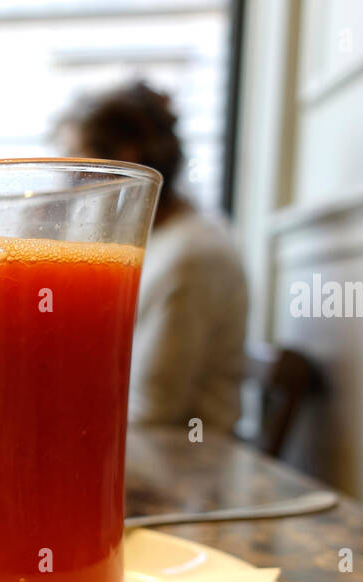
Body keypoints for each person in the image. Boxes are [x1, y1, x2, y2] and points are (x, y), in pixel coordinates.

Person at [59, 81, 248, 435]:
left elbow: (153, 410)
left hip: (187, 458)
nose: (72, 187)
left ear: (126, 159)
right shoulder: (151, 245)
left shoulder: (190, 258)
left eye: (79, 169)